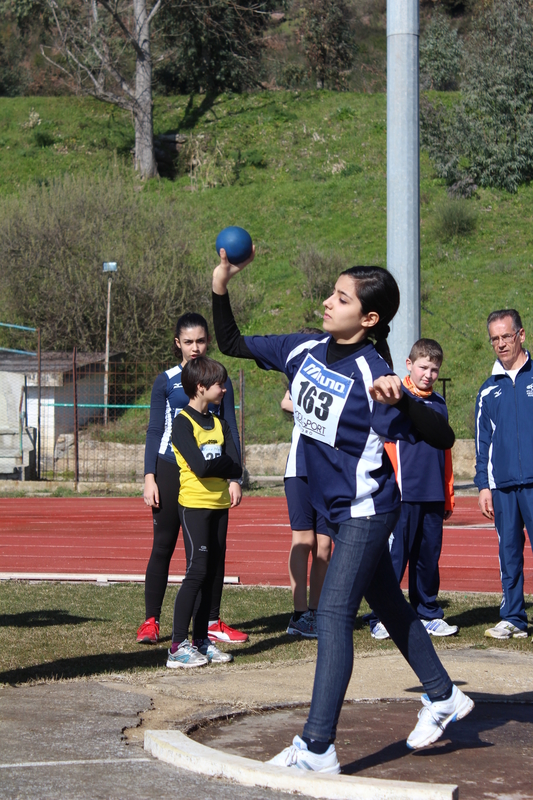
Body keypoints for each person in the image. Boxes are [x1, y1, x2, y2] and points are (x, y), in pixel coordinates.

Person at [212, 248, 474, 770]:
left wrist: (403, 401)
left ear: (369, 318)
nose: (328, 302)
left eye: (341, 298)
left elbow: (442, 436)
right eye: (333, 293)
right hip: (334, 508)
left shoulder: (374, 372)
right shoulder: (304, 348)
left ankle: (317, 746)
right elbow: (232, 343)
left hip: (366, 511)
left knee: (332, 616)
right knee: (391, 608)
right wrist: (220, 285)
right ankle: (445, 696)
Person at [137, 312, 248, 646]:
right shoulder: (166, 380)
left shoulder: (217, 378)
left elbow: (230, 427)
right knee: (164, 543)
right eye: (189, 342)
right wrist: (149, 476)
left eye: (201, 340)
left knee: (211, 549)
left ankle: (211, 621)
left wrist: (235, 476)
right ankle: (151, 621)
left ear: (208, 341)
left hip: (210, 474)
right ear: (178, 344)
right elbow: (156, 429)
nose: (195, 347)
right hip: (171, 468)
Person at [367, 339, 458, 641]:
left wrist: (448, 494)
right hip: (402, 496)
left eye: (434, 369)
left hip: (433, 494)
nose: (429, 374)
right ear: (409, 365)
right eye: (423, 367)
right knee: (396, 557)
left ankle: (427, 612)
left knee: (428, 558)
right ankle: (383, 616)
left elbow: (446, 453)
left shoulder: (440, 404)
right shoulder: (397, 398)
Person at [166, 357, 243, 667]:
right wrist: (219, 465)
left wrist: (220, 467)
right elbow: (199, 466)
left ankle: (201, 640)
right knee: (197, 571)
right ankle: (176, 646)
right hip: (194, 505)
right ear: (200, 387)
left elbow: (236, 464)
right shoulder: (183, 422)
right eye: (218, 384)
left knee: (213, 574)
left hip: (219, 505)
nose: (224, 389)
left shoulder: (220, 422)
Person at [475, 308, 533, 640]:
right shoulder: (488, 390)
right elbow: (483, 442)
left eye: (506, 336)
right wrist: (483, 485)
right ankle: (513, 617)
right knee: (508, 552)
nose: (500, 344)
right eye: (494, 339)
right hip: (503, 486)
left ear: (520, 335)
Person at [281, 380, 332, 638]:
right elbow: (286, 402)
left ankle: (316, 611)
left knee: (324, 546)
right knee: (304, 539)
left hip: (330, 471)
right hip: (300, 470)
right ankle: (299, 615)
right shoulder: (305, 377)